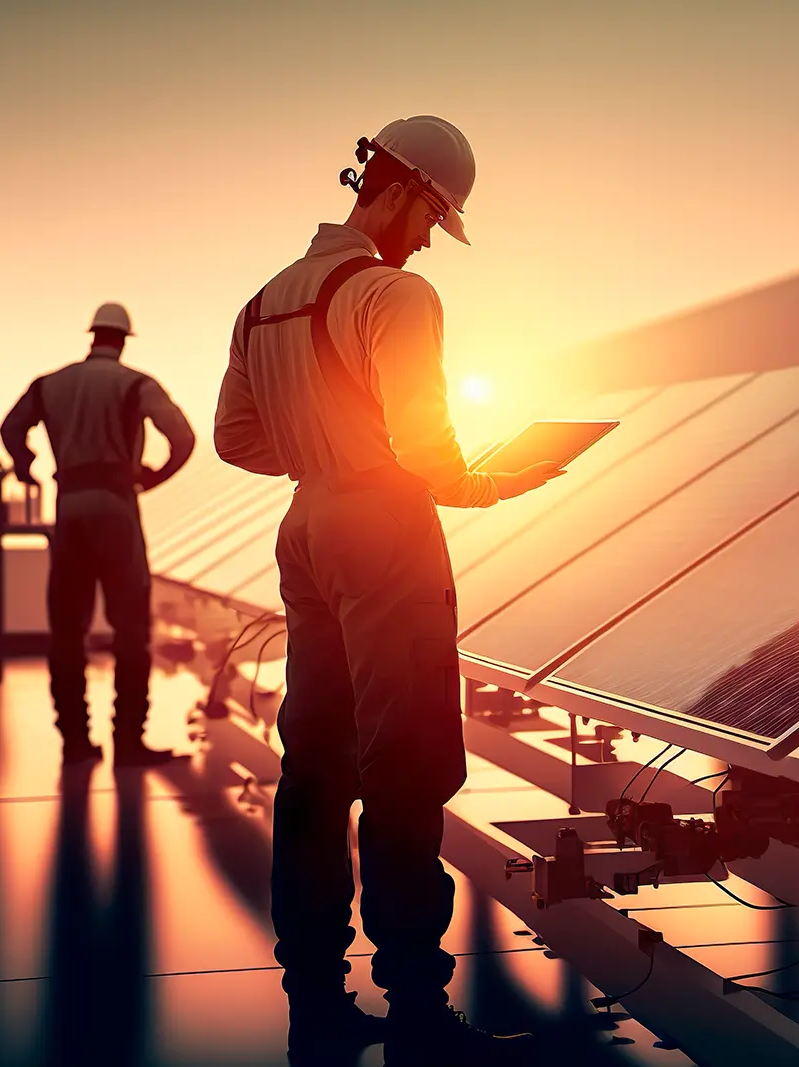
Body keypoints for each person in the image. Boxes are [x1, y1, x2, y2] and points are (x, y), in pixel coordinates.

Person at [213, 115, 562, 1066]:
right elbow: (425, 450)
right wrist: (496, 480)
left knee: (316, 760)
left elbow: (236, 441)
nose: (426, 240)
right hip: (385, 529)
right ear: (403, 191)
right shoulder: (395, 295)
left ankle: (315, 998)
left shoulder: (263, 300)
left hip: (308, 529)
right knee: (406, 763)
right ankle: (416, 1007)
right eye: (433, 219)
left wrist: (322, 452)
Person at [0, 302, 195, 767]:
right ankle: (128, 741)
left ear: (92, 337)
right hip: (115, 506)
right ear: (124, 339)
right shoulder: (136, 384)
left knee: (67, 629)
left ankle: (76, 742)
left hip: (68, 507)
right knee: (130, 628)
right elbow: (182, 437)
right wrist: (151, 477)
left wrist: (27, 469)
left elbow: (10, 428)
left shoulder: (50, 384)